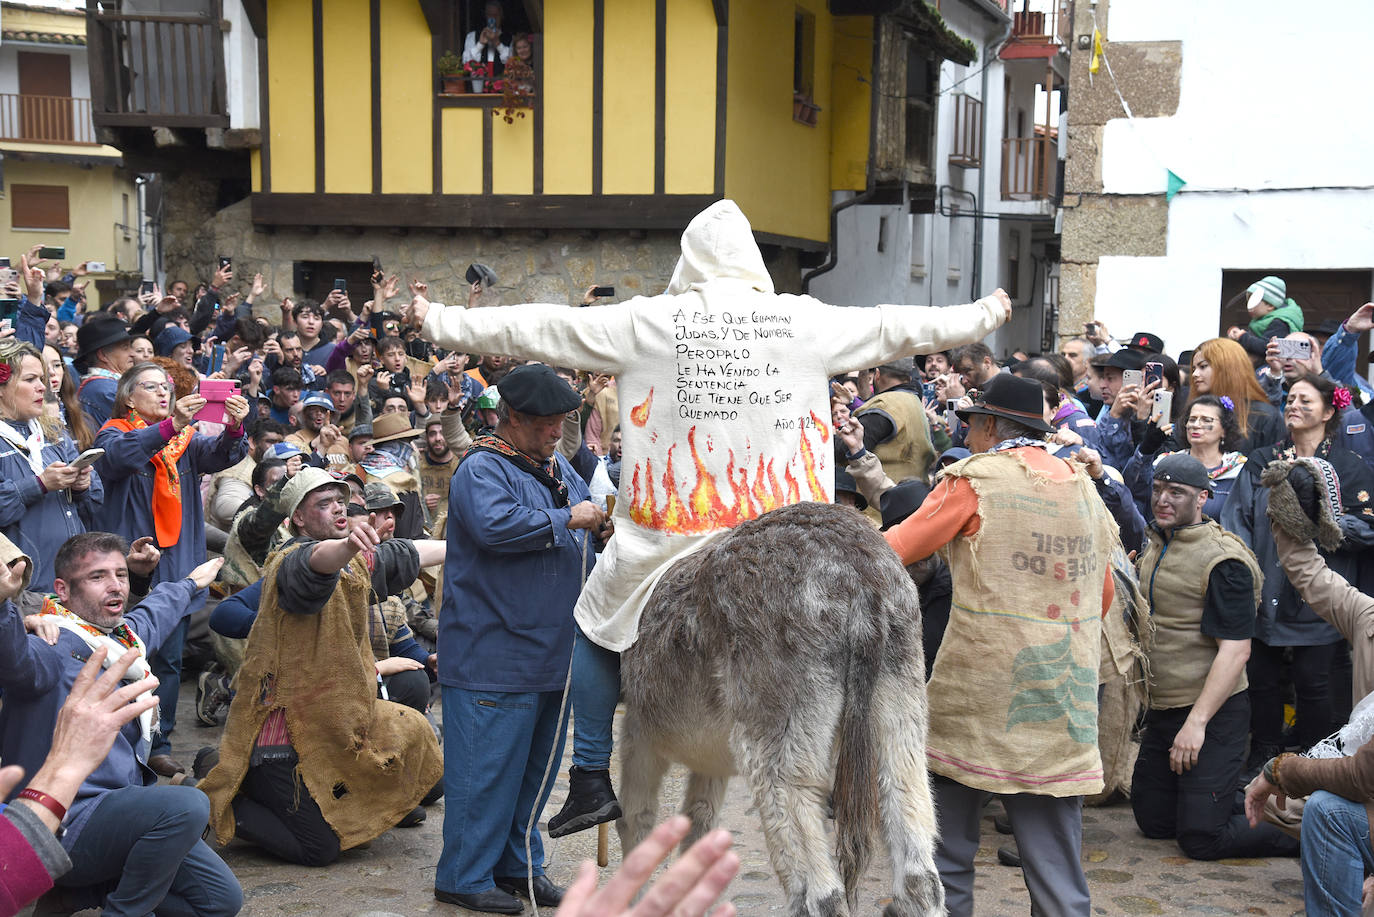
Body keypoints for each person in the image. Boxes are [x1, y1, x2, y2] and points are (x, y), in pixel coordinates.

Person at [407, 200, 1011, 835]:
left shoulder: (646, 322)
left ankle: (589, 774)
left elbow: (538, 328)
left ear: (688, 259)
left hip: (668, 540)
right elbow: (900, 325)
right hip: (786, 536)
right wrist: (985, 313)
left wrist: (439, 318)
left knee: (591, 624)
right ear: (752, 261)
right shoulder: (800, 320)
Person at [882, 373, 1120, 917]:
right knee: (1057, 867)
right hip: (1059, 700)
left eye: (973, 423)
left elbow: (895, 549)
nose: (971, 434)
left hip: (977, 697)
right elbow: (1100, 597)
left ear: (989, 425)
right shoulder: (1082, 485)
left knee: (946, 855)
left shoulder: (975, 479)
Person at [198, 467, 444, 867]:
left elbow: (408, 553)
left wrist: (473, 544)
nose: (338, 510)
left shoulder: (355, 563)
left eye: (341, 503)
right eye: (323, 504)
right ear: (298, 517)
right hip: (282, 741)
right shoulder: (292, 559)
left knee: (417, 747)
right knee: (322, 848)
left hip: (333, 721)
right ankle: (226, 794)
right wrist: (346, 547)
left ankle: (249, 776)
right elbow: (316, 563)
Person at [434, 364, 605, 913]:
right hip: (494, 651)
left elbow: (581, 521)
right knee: (484, 775)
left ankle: (518, 867)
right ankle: (463, 875)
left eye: (561, 422)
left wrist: (600, 524)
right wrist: (569, 520)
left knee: (533, 777)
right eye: (545, 423)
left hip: (552, 653)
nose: (556, 432)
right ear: (512, 417)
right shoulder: (482, 469)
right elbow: (496, 526)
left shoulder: (557, 467)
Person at [0, 532, 240, 917]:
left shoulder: (121, 640)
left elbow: (155, 612)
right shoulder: (48, 644)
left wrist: (191, 583)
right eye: (97, 577)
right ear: (62, 589)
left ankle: (76, 896)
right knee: (186, 805)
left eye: (120, 575)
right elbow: (12, 658)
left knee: (219, 901)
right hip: (62, 824)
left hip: (118, 815)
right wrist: (4, 608)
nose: (115, 585)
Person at [1130, 453, 1298, 860]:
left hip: (1213, 713)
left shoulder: (1225, 562)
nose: (1162, 500)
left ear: (1204, 497)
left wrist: (1196, 725)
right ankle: (1215, 795)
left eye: (1177, 493)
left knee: (1202, 839)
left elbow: (1237, 651)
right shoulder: (1157, 541)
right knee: (1154, 824)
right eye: (1157, 490)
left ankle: (1309, 833)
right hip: (1165, 708)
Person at [93, 362, 250, 777]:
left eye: (167, 388)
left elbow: (219, 456)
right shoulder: (114, 432)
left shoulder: (184, 440)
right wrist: (169, 426)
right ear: (129, 397)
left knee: (168, 665)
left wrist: (235, 428)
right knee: (125, 661)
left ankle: (158, 742)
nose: (164, 393)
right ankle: (119, 745)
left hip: (178, 564)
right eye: (152, 387)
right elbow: (118, 460)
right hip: (132, 570)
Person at [1223, 374, 1374, 767]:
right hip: (1265, 588)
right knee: (1263, 679)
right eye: (1290, 399)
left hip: (1321, 593)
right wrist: (1245, 574)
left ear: (1329, 411)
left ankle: (1315, 760)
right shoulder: (1263, 460)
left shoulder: (1348, 466)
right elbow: (1236, 519)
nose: (1294, 406)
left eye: (1306, 401)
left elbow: (1367, 527)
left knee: (1315, 683)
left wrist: (1326, 520)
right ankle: (1265, 752)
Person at [0, 339, 103, 592]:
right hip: (23, 589)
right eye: (30, 379)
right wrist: (40, 484)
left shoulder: (53, 432)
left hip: (72, 581)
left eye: (42, 379)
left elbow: (95, 502)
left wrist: (82, 486)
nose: (42, 387)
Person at [1124, 394, 1247, 521]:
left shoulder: (1239, 471)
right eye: (1192, 419)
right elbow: (1133, 490)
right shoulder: (1166, 463)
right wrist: (1146, 449)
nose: (1196, 425)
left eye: (1206, 420)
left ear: (1224, 429)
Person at [1188, 337, 1284, 451]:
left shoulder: (1264, 415)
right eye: (1194, 368)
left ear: (1227, 368)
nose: (1195, 374)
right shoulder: (1191, 411)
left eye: (1203, 366)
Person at [853, 356, 936, 484]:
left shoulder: (885, 405)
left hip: (883, 499)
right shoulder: (914, 401)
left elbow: (851, 448)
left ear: (878, 375)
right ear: (908, 378)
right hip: (915, 495)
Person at [72, 316, 136, 428]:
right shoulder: (106, 390)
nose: (132, 353)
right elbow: (138, 428)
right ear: (103, 355)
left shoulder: (105, 386)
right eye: (125, 347)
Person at [1229, 275, 1305, 360]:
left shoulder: (1279, 323)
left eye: (1254, 302)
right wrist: (1236, 333)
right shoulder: (1262, 321)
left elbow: (1266, 346)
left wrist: (1243, 337)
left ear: (1270, 305)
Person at [463, 0, 511, 93]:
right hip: (477, 93)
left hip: (502, 93)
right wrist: (480, 44)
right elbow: (465, 62)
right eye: (490, 15)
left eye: (496, 15)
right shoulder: (472, 36)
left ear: (501, 16)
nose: (492, 18)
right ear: (485, 16)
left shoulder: (509, 38)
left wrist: (498, 44)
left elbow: (511, 62)